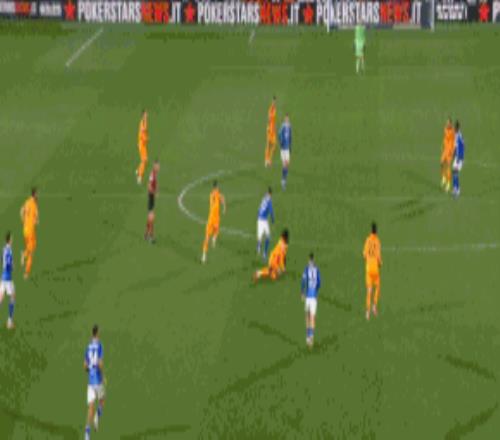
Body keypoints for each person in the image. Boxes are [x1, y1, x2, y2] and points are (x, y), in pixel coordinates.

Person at [84, 324, 105, 440]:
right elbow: (100, 363)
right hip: (98, 379)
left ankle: (87, 432)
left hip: (90, 381)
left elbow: (85, 366)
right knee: (102, 400)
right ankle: (97, 416)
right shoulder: (100, 346)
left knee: (90, 407)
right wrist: (102, 376)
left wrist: (90, 369)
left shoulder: (88, 347)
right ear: (97, 333)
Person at [201, 180, 226, 264]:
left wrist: (223, 206)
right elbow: (222, 199)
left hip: (211, 218)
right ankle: (214, 239)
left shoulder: (211, 194)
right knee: (214, 232)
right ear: (217, 186)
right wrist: (224, 208)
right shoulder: (217, 194)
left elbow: (221, 199)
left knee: (207, 236)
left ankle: (204, 255)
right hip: (215, 218)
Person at [363, 222, 382, 320]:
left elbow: (364, 254)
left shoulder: (367, 240)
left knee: (369, 290)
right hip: (375, 269)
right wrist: (380, 263)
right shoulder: (378, 241)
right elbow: (378, 257)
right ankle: (374, 306)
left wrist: (368, 260)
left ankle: (367, 312)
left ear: (371, 231)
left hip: (368, 268)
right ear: (376, 231)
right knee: (377, 287)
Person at [301, 253, 321, 348]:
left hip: (308, 297)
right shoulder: (317, 270)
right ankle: (311, 336)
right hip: (314, 297)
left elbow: (303, 281)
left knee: (307, 316)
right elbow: (319, 283)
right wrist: (316, 292)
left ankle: (308, 336)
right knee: (312, 317)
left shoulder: (306, 269)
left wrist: (302, 292)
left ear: (309, 261)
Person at [20, 187, 39, 279]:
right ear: (34, 194)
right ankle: (26, 273)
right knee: (31, 252)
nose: (38, 195)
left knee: (33, 245)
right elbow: (36, 218)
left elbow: (21, 210)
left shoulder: (27, 202)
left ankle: (24, 254)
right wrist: (36, 221)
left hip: (25, 229)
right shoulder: (34, 204)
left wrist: (24, 220)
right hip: (31, 230)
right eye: (37, 194)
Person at [0, 232, 15, 329]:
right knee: (12, 297)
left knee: (1, 298)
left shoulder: (3, 249)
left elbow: (1, 259)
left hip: (3, 277)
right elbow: (9, 263)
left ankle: (9, 321)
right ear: (9, 240)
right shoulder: (9, 250)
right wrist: (12, 266)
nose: (12, 240)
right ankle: (9, 322)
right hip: (8, 278)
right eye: (12, 238)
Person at [256, 187, 275, 260]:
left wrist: (258, 215)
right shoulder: (269, 200)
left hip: (259, 219)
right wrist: (273, 219)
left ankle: (258, 247)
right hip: (264, 220)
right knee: (268, 237)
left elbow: (259, 209)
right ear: (271, 194)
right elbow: (271, 211)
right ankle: (264, 253)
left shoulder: (264, 198)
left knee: (260, 236)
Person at [145, 160, 160, 243]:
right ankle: (150, 236)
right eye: (157, 166)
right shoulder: (152, 175)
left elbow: (154, 185)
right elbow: (149, 186)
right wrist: (154, 192)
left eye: (159, 166)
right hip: (151, 197)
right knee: (151, 218)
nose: (158, 167)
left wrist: (156, 189)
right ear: (154, 166)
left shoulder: (155, 174)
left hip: (152, 197)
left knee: (150, 218)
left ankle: (146, 234)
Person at [441, 117, 455, 193]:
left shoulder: (452, 131)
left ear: (450, 123)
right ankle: (444, 177)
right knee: (442, 163)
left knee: (448, 167)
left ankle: (448, 184)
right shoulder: (445, 129)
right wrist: (443, 146)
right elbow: (445, 138)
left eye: (448, 122)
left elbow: (453, 142)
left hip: (449, 151)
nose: (447, 123)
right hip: (445, 150)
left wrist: (452, 151)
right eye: (446, 122)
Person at [278, 115, 292, 190]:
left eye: (288, 119)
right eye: (286, 119)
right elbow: (279, 134)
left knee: (286, 165)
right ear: (284, 120)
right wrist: (281, 142)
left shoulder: (289, 127)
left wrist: (290, 146)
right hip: (283, 149)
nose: (287, 120)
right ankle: (283, 181)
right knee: (285, 164)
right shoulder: (283, 126)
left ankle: (283, 180)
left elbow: (290, 137)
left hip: (287, 149)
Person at [452, 120, 465, 197]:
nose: (454, 128)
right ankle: (455, 188)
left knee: (455, 172)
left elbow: (461, 147)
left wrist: (459, 158)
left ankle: (457, 189)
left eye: (455, 127)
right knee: (454, 172)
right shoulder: (458, 135)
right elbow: (457, 146)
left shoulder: (458, 136)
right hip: (457, 157)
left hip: (459, 158)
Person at [136, 109, 148, 184]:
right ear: (143, 115)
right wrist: (145, 139)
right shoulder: (142, 122)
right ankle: (139, 177)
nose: (147, 115)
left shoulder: (144, 121)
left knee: (145, 160)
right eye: (145, 114)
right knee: (144, 160)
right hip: (142, 144)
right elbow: (143, 130)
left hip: (143, 144)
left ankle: (138, 170)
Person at [264, 96, 277, 167]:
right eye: (273, 101)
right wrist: (268, 127)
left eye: (275, 101)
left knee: (274, 145)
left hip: (273, 130)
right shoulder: (271, 109)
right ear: (272, 101)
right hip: (270, 129)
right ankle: (266, 160)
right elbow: (269, 119)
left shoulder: (274, 109)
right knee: (268, 145)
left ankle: (269, 160)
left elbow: (274, 120)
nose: (274, 102)